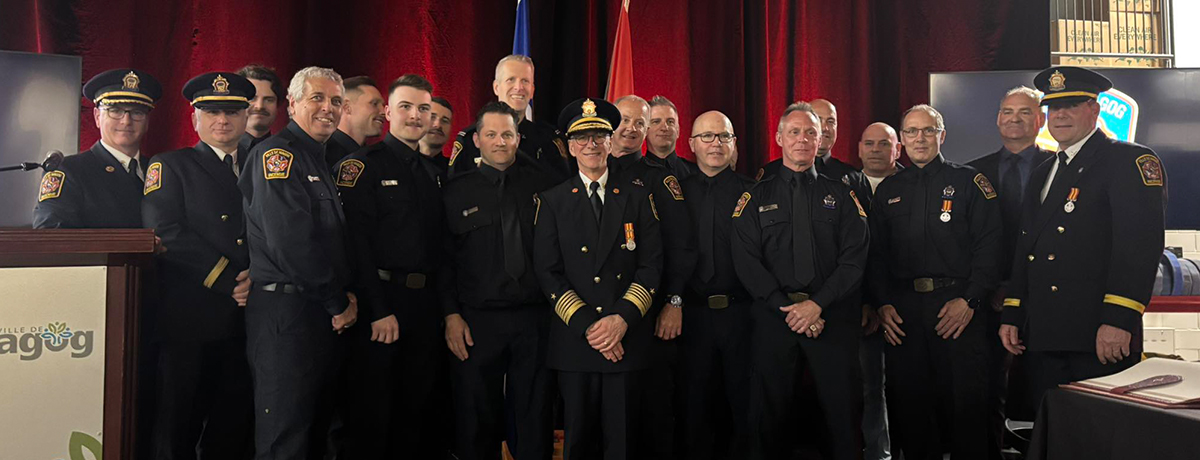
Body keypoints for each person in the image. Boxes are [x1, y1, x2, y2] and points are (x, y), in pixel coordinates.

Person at [1000, 67, 1165, 413]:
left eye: (1072, 105)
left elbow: (1138, 247)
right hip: (1044, 332)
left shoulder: (1128, 160)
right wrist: (1014, 312)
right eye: (1053, 108)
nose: (1060, 115)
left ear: (1095, 110)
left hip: (1097, 334)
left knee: (1099, 436)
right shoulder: (1045, 169)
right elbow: (1027, 245)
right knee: (1056, 435)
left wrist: (1119, 321)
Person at [732, 101, 869, 460]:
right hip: (774, 319)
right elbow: (747, 262)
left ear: (821, 138)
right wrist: (789, 309)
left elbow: (854, 260)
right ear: (779, 138)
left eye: (811, 132)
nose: (803, 139)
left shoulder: (842, 194)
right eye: (794, 132)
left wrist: (816, 305)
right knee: (769, 418)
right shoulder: (755, 196)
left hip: (832, 317)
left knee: (843, 418)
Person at [238, 66, 359, 460]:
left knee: (316, 435)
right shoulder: (278, 156)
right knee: (285, 440)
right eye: (317, 99)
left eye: (336, 101)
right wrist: (337, 302)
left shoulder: (318, 159)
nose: (328, 108)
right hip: (286, 318)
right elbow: (292, 245)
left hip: (314, 316)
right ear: (292, 104)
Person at [533, 98, 663, 460]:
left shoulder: (638, 196)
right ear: (571, 146)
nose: (591, 144)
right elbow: (548, 272)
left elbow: (651, 266)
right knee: (578, 443)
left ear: (610, 142)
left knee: (623, 444)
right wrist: (593, 327)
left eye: (599, 136)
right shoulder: (552, 201)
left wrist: (620, 320)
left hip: (627, 337)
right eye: (582, 137)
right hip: (577, 340)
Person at [869, 104, 1002, 460]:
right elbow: (876, 256)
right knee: (912, 410)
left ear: (942, 136)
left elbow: (990, 248)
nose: (920, 138)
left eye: (928, 131)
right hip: (905, 314)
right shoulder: (888, 190)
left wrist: (971, 300)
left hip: (958, 309)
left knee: (967, 410)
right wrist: (882, 303)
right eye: (911, 132)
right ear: (902, 141)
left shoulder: (971, 182)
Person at [141, 71, 257, 459]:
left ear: (245, 117)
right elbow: (165, 230)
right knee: (178, 426)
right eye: (210, 112)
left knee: (233, 425)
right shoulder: (171, 165)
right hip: (192, 318)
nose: (222, 120)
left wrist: (260, 275)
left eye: (231, 112)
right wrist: (230, 280)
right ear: (194, 119)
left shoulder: (261, 164)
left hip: (249, 319)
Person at [334, 74, 450, 459]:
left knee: (416, 412)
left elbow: (442, 249)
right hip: (380, 303)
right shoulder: (361, 166)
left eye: (423, 109)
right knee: (372, 414)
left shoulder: (435, 174)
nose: (415, 116)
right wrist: (379, 309)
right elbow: (357, 247)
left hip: (425, 304)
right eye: (406, 107)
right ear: (388, 112)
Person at [441, 101, 558, 460]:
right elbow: (444, 261)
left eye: (507, 134)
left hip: (534, 317)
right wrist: (451, 315)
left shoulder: (546, 186)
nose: (500, 141)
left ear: (518, 138)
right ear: (476, 139)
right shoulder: (454, 191)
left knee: (534, 414)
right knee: (476, 417)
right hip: (478, 319)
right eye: (491, 134)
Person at [966, 86, 1053, 452]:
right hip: (988, 298)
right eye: (1007, 112)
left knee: (1046, 387)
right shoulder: (973, 172)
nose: (1014, 119)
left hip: (1046, 297)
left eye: (1024, 112)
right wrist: (993, 287)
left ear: (1040, 120)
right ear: (998, 119)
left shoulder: (1058, 167)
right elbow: (968, 242)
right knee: (985, 388)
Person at [610, 94, 697, 459]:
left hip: (649, 314)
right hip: (597, 315)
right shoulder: (586, 171)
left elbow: (682, 247)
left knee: (654, 412)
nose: (631, 128)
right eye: (624, 120)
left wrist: (674, 300)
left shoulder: (658, 180)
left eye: (639, 123)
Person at [679, 110, 755, 459]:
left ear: (734, 144)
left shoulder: (752, 194)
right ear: (692, 144)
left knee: (743, 403)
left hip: (741, 314)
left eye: (723, 136)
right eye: (707, 137)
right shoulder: (674, 192)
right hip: (690, 315)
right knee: (694, 405)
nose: (715, 144)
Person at [33, 68, 162, 229]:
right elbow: (51, 235)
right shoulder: (69, 171)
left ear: (147, 121)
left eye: (137, 112)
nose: (126, 121)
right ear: (97, 117)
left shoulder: (160, 169)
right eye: (115, 111)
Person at [856, 121, 902, 460]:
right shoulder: (843, 186)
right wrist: (867, 303)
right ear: (858, 148)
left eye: (883, 143)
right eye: (869, 143)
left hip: (908, 306)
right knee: (871, 387)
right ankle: (878, 454)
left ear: (897, 149)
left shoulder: (916, 183)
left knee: (910, 387)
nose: (875, 150)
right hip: (862, 308)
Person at [449, 55, 569, 181]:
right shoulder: (469, 139)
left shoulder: (549, 139)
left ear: (532, 90)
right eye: (511, 79)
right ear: (496, 87)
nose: (519, 87)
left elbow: (562, 190)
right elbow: (456, 191)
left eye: (525, 81)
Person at [326, 76, 385, 169]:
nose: (383, 112)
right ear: (347, 107)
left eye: (383, 105)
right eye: (374, 104)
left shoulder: (376, 158)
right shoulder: (320, 155)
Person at [644, 95, 699, 180]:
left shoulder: (696, 174)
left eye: (670, 122)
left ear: (678, 131)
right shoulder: (631, 174)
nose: (664, 128)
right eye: (656, 122)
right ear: (645, 130)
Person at [236, 64, 283, 152]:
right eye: (252, 98)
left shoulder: (290, 153)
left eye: (269, 100)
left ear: (277, 106)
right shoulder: (220, 152)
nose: (260, 106)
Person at [420, 96, 454, 176]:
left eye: (445, 121)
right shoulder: (398, 164)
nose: (438, 125)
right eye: (432, 117)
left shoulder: (454, 171)